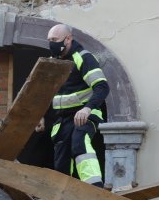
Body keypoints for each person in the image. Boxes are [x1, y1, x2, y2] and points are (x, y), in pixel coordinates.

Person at [36, 24, 109, 187]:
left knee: (79, 143)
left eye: (54, 39)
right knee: (61, 158)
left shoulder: (83, 57)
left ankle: (94, 188)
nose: (51, 43)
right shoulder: (53, 62)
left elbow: (102, 87)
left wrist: (87, 108)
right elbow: (45, 92)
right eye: (49, 40)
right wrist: (40, 115)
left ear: (68, 39)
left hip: (85, 113)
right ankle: (63, 194)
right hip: (63, 119)